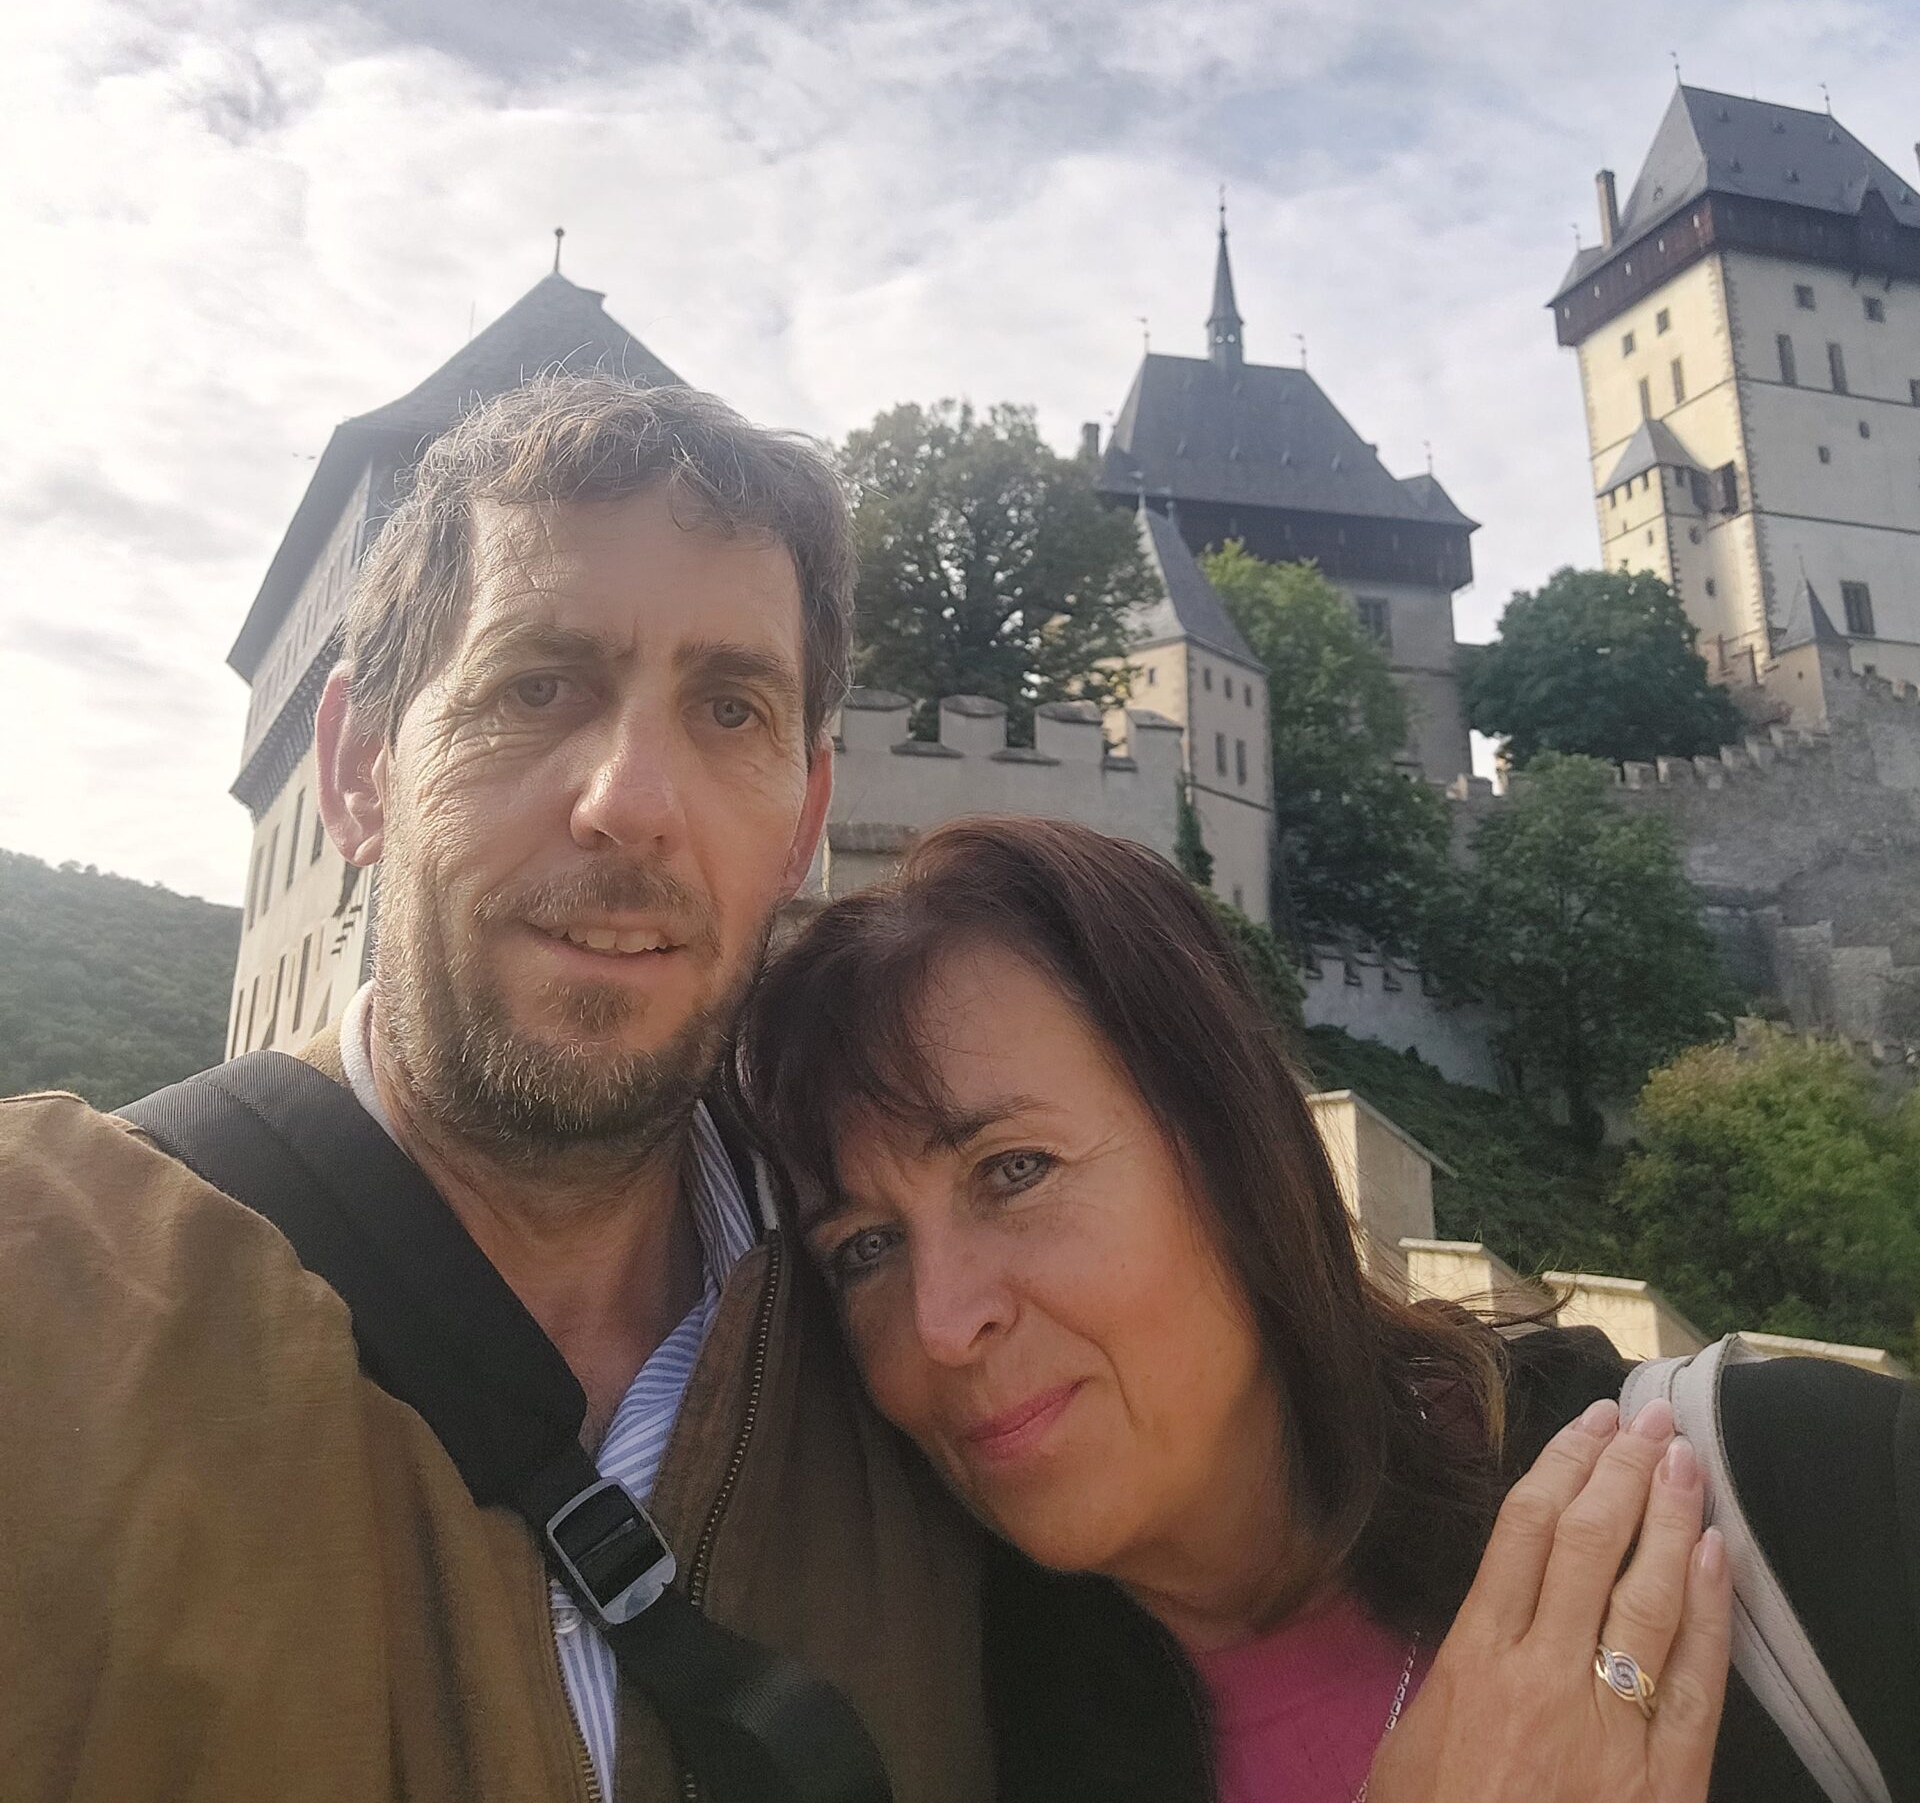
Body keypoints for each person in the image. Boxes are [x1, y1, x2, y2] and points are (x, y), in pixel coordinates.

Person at [0, 377, 991, 1803]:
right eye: (537, 687)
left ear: (804, 829)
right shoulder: (50, 1296)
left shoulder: (938, 1341)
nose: (633, 801)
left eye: (730, 709)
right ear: (360, 769)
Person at [739, 815, 1920, 1803]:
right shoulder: (938, 1743)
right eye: (866, 1247)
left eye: (1014, 1169)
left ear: (1235, 1151)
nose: (942, 1324)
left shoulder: (1803, 1502)